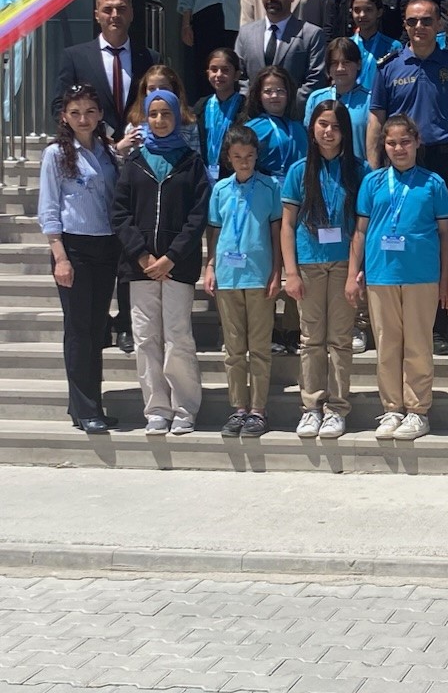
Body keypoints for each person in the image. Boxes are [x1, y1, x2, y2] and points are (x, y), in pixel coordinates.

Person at [367, 0, 448, 354]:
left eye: (427, 21)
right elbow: (376, 119)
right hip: (398, 160)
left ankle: (438, 327)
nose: (419, 27)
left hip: (442, 159)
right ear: (405, 24)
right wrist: (374, 166)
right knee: (402, 233)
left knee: (439, 239)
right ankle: (394, 324)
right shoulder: (389, 66)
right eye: (413, 21)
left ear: (439, 24)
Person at [111, 89, 211, 436]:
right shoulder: (134, 161)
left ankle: (185, 407)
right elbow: (120, 213)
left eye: (165, 113)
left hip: (177, 267)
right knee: (145, 338)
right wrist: (142, 254)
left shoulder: (191, 162)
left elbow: (197, 216)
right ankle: (156, 409)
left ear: (177, 116)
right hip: (139, 267)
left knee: (178, 337)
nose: (159, 120)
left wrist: (171, 257)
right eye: (153, 114)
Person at [348, 114, 448, 441]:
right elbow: (361, 231)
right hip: (381, 274)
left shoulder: (433, 183)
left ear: (417, 142)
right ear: (384, 145)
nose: (398, 148)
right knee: (387, 344)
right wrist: (353, 273)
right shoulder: (373, 182)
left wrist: (446, 280)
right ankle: (392, 408)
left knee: (418, 344)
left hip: (422, 275)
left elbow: (446, 234)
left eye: (405, 141)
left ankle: (418, 410)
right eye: (392, 143)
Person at [282, 100, 367, 441]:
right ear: (312, 128)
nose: (328, 132)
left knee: (341, 339)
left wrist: (355, 272)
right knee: (311, 339)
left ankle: (337, 408)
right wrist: (290, 272)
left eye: (335, 126)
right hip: (309, 263)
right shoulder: (298, 171)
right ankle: (312, 406)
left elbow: (361, 227)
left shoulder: (359, 170)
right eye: (322, 125)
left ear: (345, 131)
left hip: (344, 263)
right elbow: (287, 225)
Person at [39, 84, 120, 434]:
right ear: (64, 117)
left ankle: (89, 405)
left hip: (106, 245)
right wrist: (60, 257)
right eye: (75, 113)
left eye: (89, 112)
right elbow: (49, 209)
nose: (83, 119)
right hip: (73, 247)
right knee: (79, 329)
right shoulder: (56, 154)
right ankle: (85, 408)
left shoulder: (108, 151)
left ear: (100, 114)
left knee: (97, 327)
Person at [204, 124, 283, 439]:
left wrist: (277, 271)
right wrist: (210, 266)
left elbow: (276, 232)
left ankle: (258, 410)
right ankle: (238, 407)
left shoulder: (269, 187)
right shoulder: (221, 189)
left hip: (259, 276)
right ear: (228, 158)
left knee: (259, 347)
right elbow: (215, 230)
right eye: (237, 156)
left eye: (249, 156)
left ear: (256, 156)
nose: (244, 162)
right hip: (228, 277)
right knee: (234, 348)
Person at [55, 0, 155, 140]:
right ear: (97, 16)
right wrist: (92, 136)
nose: (115, 15)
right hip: (93, 146)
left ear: (131, 14)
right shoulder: (75, 57)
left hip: (140, 145)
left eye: (121, 9)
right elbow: (59, 104)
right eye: (107, 10)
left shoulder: (150, 58)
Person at [235, 0, 327, 115]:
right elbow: (240, 76)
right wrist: (252, 105)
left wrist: (285, 106)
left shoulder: (312, 34)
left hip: (293, 117)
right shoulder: (246, 33)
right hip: (254, 118)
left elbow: (315, 79)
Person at [304, 38, 372, 163]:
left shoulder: (370, 100)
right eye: (334, 63)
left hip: (357, 170)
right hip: (321, 170)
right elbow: (309, 140)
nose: (340, 68)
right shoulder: (316, 98)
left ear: (358, 64)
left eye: (346, 62)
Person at [243, 66, 308, 185]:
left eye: (280, 91)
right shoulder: (251, 129)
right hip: (266, 190)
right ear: (259, 95)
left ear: (288, 94)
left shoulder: (299, 128)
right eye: (268, 91)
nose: (274, 96)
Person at [194, 49, 244, 185]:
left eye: (225, 70)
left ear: (236, 75)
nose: (219, 75)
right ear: (208, 73)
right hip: (205, 176)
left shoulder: (245, 107)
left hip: (236, 176)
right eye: (214, 69)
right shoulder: (201, 106)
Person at [346, 0, 402, 89]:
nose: (362, 15)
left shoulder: (393, 47)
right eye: (357, 10)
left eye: (368, 10)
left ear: (379, 12)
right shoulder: (345, 46)